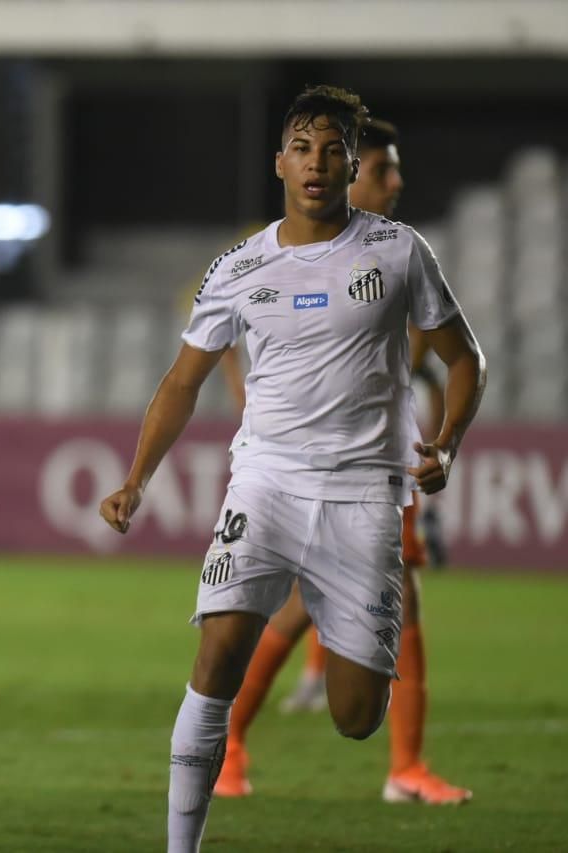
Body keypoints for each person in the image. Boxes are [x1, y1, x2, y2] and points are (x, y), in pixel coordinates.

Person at [99, 86, 485, 852]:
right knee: (215, 656)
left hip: (364, 495)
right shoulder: (237, 267)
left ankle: (342, 655)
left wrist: (445, 443)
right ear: (280, 161)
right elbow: (182, 380)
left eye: (334, 149)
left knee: (353, 715)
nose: (316, 163)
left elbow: (462, 356)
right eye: (302, 148)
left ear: (350, 164)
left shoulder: (397, 251)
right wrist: (136, 476)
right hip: (265, 484)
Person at [213, 118, 472, 806]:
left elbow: (442, 356)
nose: (396, 182)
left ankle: (393, 763)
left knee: (348, 606)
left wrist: (438, 431)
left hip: (370, 470)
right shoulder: (306, 259)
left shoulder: (396, 255)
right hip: (316, 474)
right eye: (383, 170)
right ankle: (242, 743)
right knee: (305, 610)